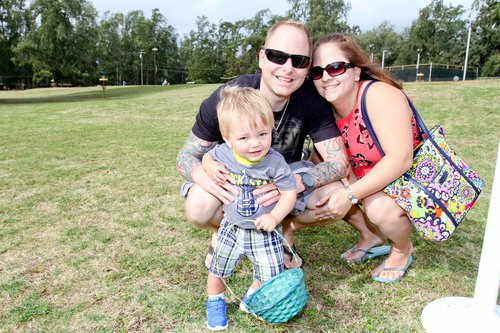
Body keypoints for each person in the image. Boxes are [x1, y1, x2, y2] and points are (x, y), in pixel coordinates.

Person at [176, 20, 350, 270]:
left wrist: (291, 184)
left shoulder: (312, 99)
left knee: (336, 195)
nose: (287, 69)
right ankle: (225, 231)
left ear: (307, 66)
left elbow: (338, 164)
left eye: (298, 61)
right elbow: (186, 156)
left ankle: (284, 231)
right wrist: (207, 178)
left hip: (283, 177)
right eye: (278, 56)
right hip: (238, 182)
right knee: (199, 205)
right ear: (262, 58)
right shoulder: (229, 97)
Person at [304, 33, 420, 283]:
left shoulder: (377, 94)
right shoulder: (327, 109)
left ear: (356, 72)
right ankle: (372, 235)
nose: (325, 77)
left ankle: (401, 248)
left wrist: (349, 193)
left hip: (408, 179)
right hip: (371, 180)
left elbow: (401, 159)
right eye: (317, 72)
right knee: (323, 177)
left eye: (335, 68)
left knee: (378, 209)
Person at [203, 86, 297, 330]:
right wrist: (208, 165)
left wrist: (275, 216)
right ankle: (215, 301)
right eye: (243, 138)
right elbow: (207, 156)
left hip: (263, 231)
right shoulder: (223, 153)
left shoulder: (275, 162)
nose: (255, 144)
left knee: (269, 273)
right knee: (218, 269)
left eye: (263, 134)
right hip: (231, 228)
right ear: (227, 138)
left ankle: (251, 297)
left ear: (271, 130)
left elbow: (289, 192)